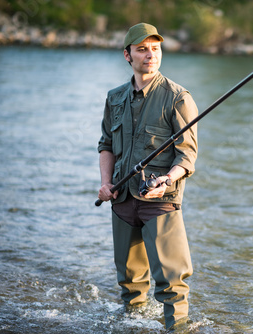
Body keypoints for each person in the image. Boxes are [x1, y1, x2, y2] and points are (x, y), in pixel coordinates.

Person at [97, 23, 198, 330]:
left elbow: (187, 156)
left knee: (172, 285)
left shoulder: (178, 98)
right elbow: (106, 145)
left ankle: (176, 329)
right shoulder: (114, 98)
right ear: (127, 55)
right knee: (129, 284)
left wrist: (169, 179)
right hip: (122, 202)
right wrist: (105, 183)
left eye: (155, 48)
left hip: (161, 204)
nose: (150, 55)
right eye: (142, 49)